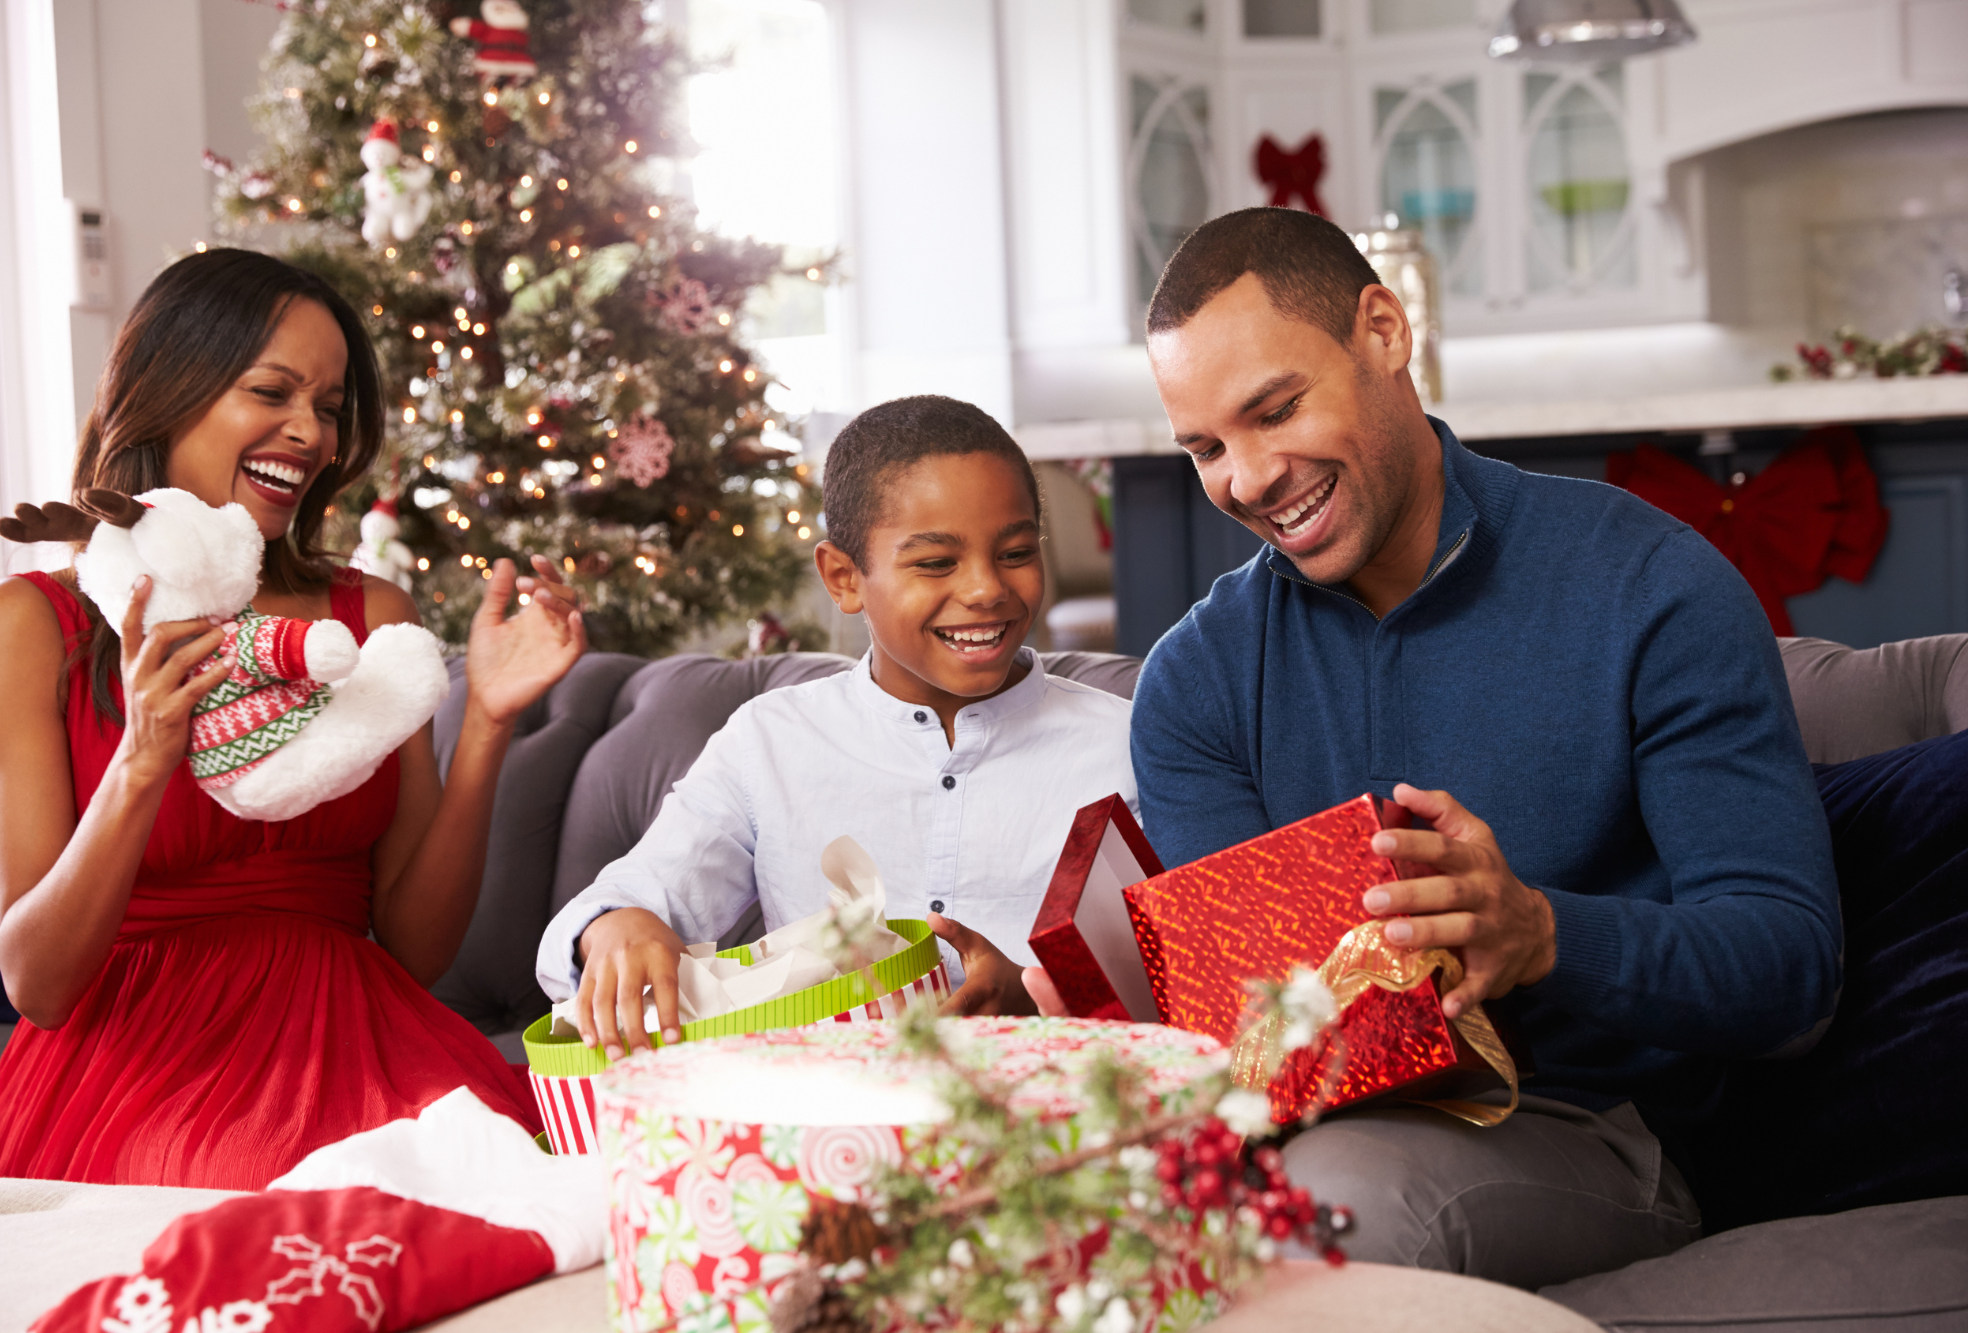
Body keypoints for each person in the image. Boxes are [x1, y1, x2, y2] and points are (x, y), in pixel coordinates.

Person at [1122, 208, 1841, 1288]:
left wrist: (1542, 933)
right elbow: (1269, 1036)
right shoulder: (1193, 683)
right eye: (1205, 447)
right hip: (1322, 1128)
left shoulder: (1651, 587)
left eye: (1273, 411)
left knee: (1325, 1201)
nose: (1248, 477)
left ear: (1381, 330)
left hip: (1607, 1129)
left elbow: (1789, 971)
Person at [0, 249, 586, 1190]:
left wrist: (488, 727)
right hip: (137, 1063)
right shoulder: (25, 628)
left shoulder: (370, 618)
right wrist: (141, 764)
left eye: (331, 407)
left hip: (360, 1028)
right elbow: (37, 982)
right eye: (273, 391)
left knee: (516, 1174)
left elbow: (416, 950)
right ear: (166, 392)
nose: (311, 433)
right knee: (302, 1201)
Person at [537, 395, 1134, 1057]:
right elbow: (625, 898)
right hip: (820, 1122)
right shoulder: (769, 742)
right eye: (936, 562)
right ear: (844, 578)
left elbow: (1185, 986)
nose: (986, 588)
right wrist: (620, 925)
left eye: (1016, 552)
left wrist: (1036, 997)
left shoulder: (1122, 745)